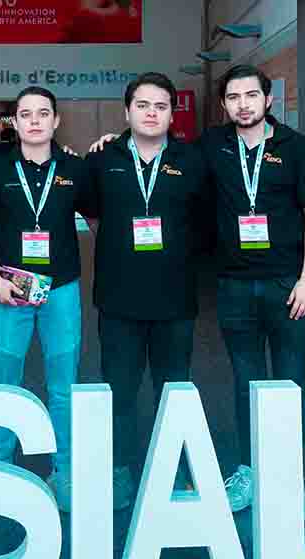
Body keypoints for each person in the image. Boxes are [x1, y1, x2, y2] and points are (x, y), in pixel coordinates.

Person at [199, 64, 305, 521]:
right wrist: (109, 145)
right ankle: (250, 471)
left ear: (268, 100)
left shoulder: (295, 148)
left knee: (290, 383)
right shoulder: (213, 145)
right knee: (244, 383)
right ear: (224, 104)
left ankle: (290, 480)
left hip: (287, 285)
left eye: (251, 95)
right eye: (233, 97)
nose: (243, 105)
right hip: (234, 286)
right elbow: (160, 152)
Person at [85, 72, 209, 509]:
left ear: (172, 113)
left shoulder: (194, 161)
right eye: (142, 105)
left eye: (160, 106)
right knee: (118, 389)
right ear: (127, 111)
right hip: (118, 300)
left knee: (173, 389)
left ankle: (171, 471)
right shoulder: (103, 158)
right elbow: (91, 214)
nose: (151, 113)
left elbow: (206, 219)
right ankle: (120, 470)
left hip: (175, 300)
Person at [0, 86, 95, 512]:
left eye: (44, 113)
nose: (36, 121)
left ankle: (64, 471)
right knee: (5, 382)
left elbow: (100, 217)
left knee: (64, 387)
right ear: (16, 122)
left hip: (62, 290)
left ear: (56, 120)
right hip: (10, 290)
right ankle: (0, 467)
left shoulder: (75, 170)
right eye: (26, 114)